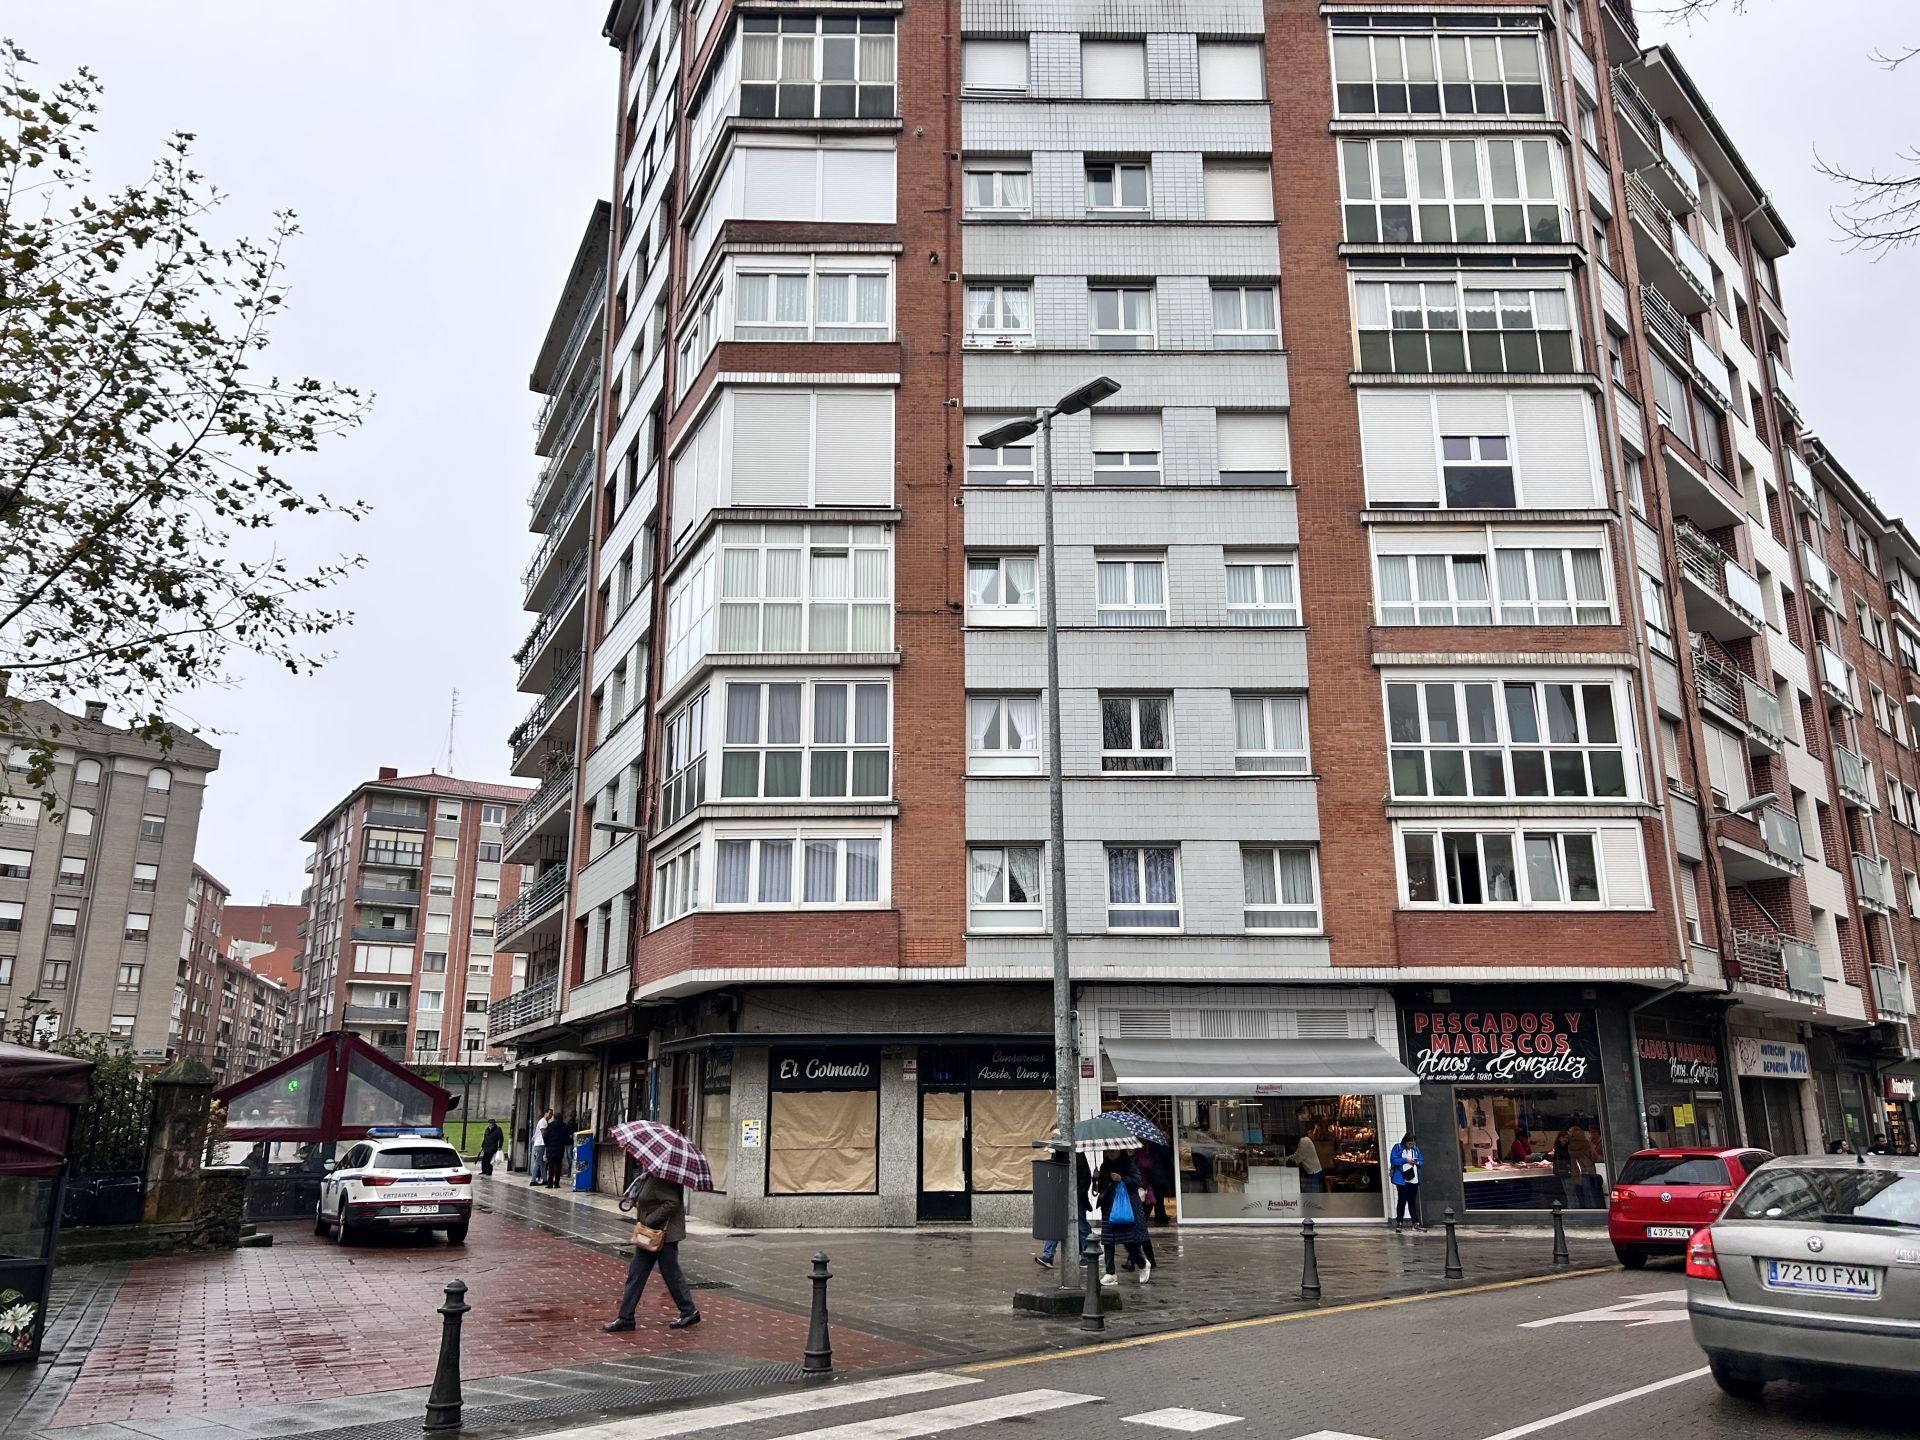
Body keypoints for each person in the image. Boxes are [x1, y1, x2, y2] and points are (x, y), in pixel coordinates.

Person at [602, 1171, 701, 1333]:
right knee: (638, 1273)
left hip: (662, 1235)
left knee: (669, 1274)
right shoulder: (649, 1175)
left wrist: (649, 1219)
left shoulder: (662, 1177)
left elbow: (672, 1202)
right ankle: (626, 1317)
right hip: (650, 1234)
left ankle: (688, 1311)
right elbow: (651, 1200)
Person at [1098, 1150, 1154, 1285]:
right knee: (1108, 1240)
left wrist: (1121, 1179)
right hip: (1109, 1208)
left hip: (1126, 1206)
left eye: (1114, 1151)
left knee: (1129, 1241)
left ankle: (1142, 1263)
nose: (1111, 1153)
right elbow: (1102, 1187)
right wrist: (1097, 1177)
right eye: (1109, 1151)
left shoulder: (1128, 1164)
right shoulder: (1104, 1166)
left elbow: (1137, 1181)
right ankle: (1110, 1272)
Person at [1036, 1149, 1094, 1269]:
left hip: (1076, 1197)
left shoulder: (1077, 1154)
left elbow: (1085, 1176)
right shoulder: (1058, 1154)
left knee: (1081, 1226)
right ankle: (1048, 1256)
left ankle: (1088, 1255)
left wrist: (1078, 1194)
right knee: (1055, 1224)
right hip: (1061, 1195)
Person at [1389, 1132, 1423, 1230]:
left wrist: (1417, 1162)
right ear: (1405, 1142)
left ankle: (1415, 1223)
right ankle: (1399, 1222)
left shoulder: (1415, 1150)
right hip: (1402, 1179)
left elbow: (1421, 1161)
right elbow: (1394, 1160)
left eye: (1413, 1144)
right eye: (1409, 1144)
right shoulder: (1398, 1148)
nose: (1411, 1145)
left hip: (1413, 1178)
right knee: (1402, 1200)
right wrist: (1406, 1160)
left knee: (1412, 1201)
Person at [544, 1111, 572, 1188]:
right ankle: (556, 1183)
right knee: (558, 1167)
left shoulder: (549, 1126)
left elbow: (545, 1136)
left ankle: (550, 1183)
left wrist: (547, 1144)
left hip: (550, 1148)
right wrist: (563, 1142)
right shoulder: (564, 1126)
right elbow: (567, 1138)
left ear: (554, 1118)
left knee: (550, 1167)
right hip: (559, 1148)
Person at [529, 1109, 551, 1186]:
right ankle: (533, 1180)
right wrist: (546, 1143)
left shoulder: (542, 1121)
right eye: (549, 1113)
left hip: (538, 1143)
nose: (551, 1115)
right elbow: (543, 1133)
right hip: (540, 1144)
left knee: (542, 1163)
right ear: (545, 1113)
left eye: (552, 1114)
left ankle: (544, 1179)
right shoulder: (543, 1121)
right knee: (538, 1162)